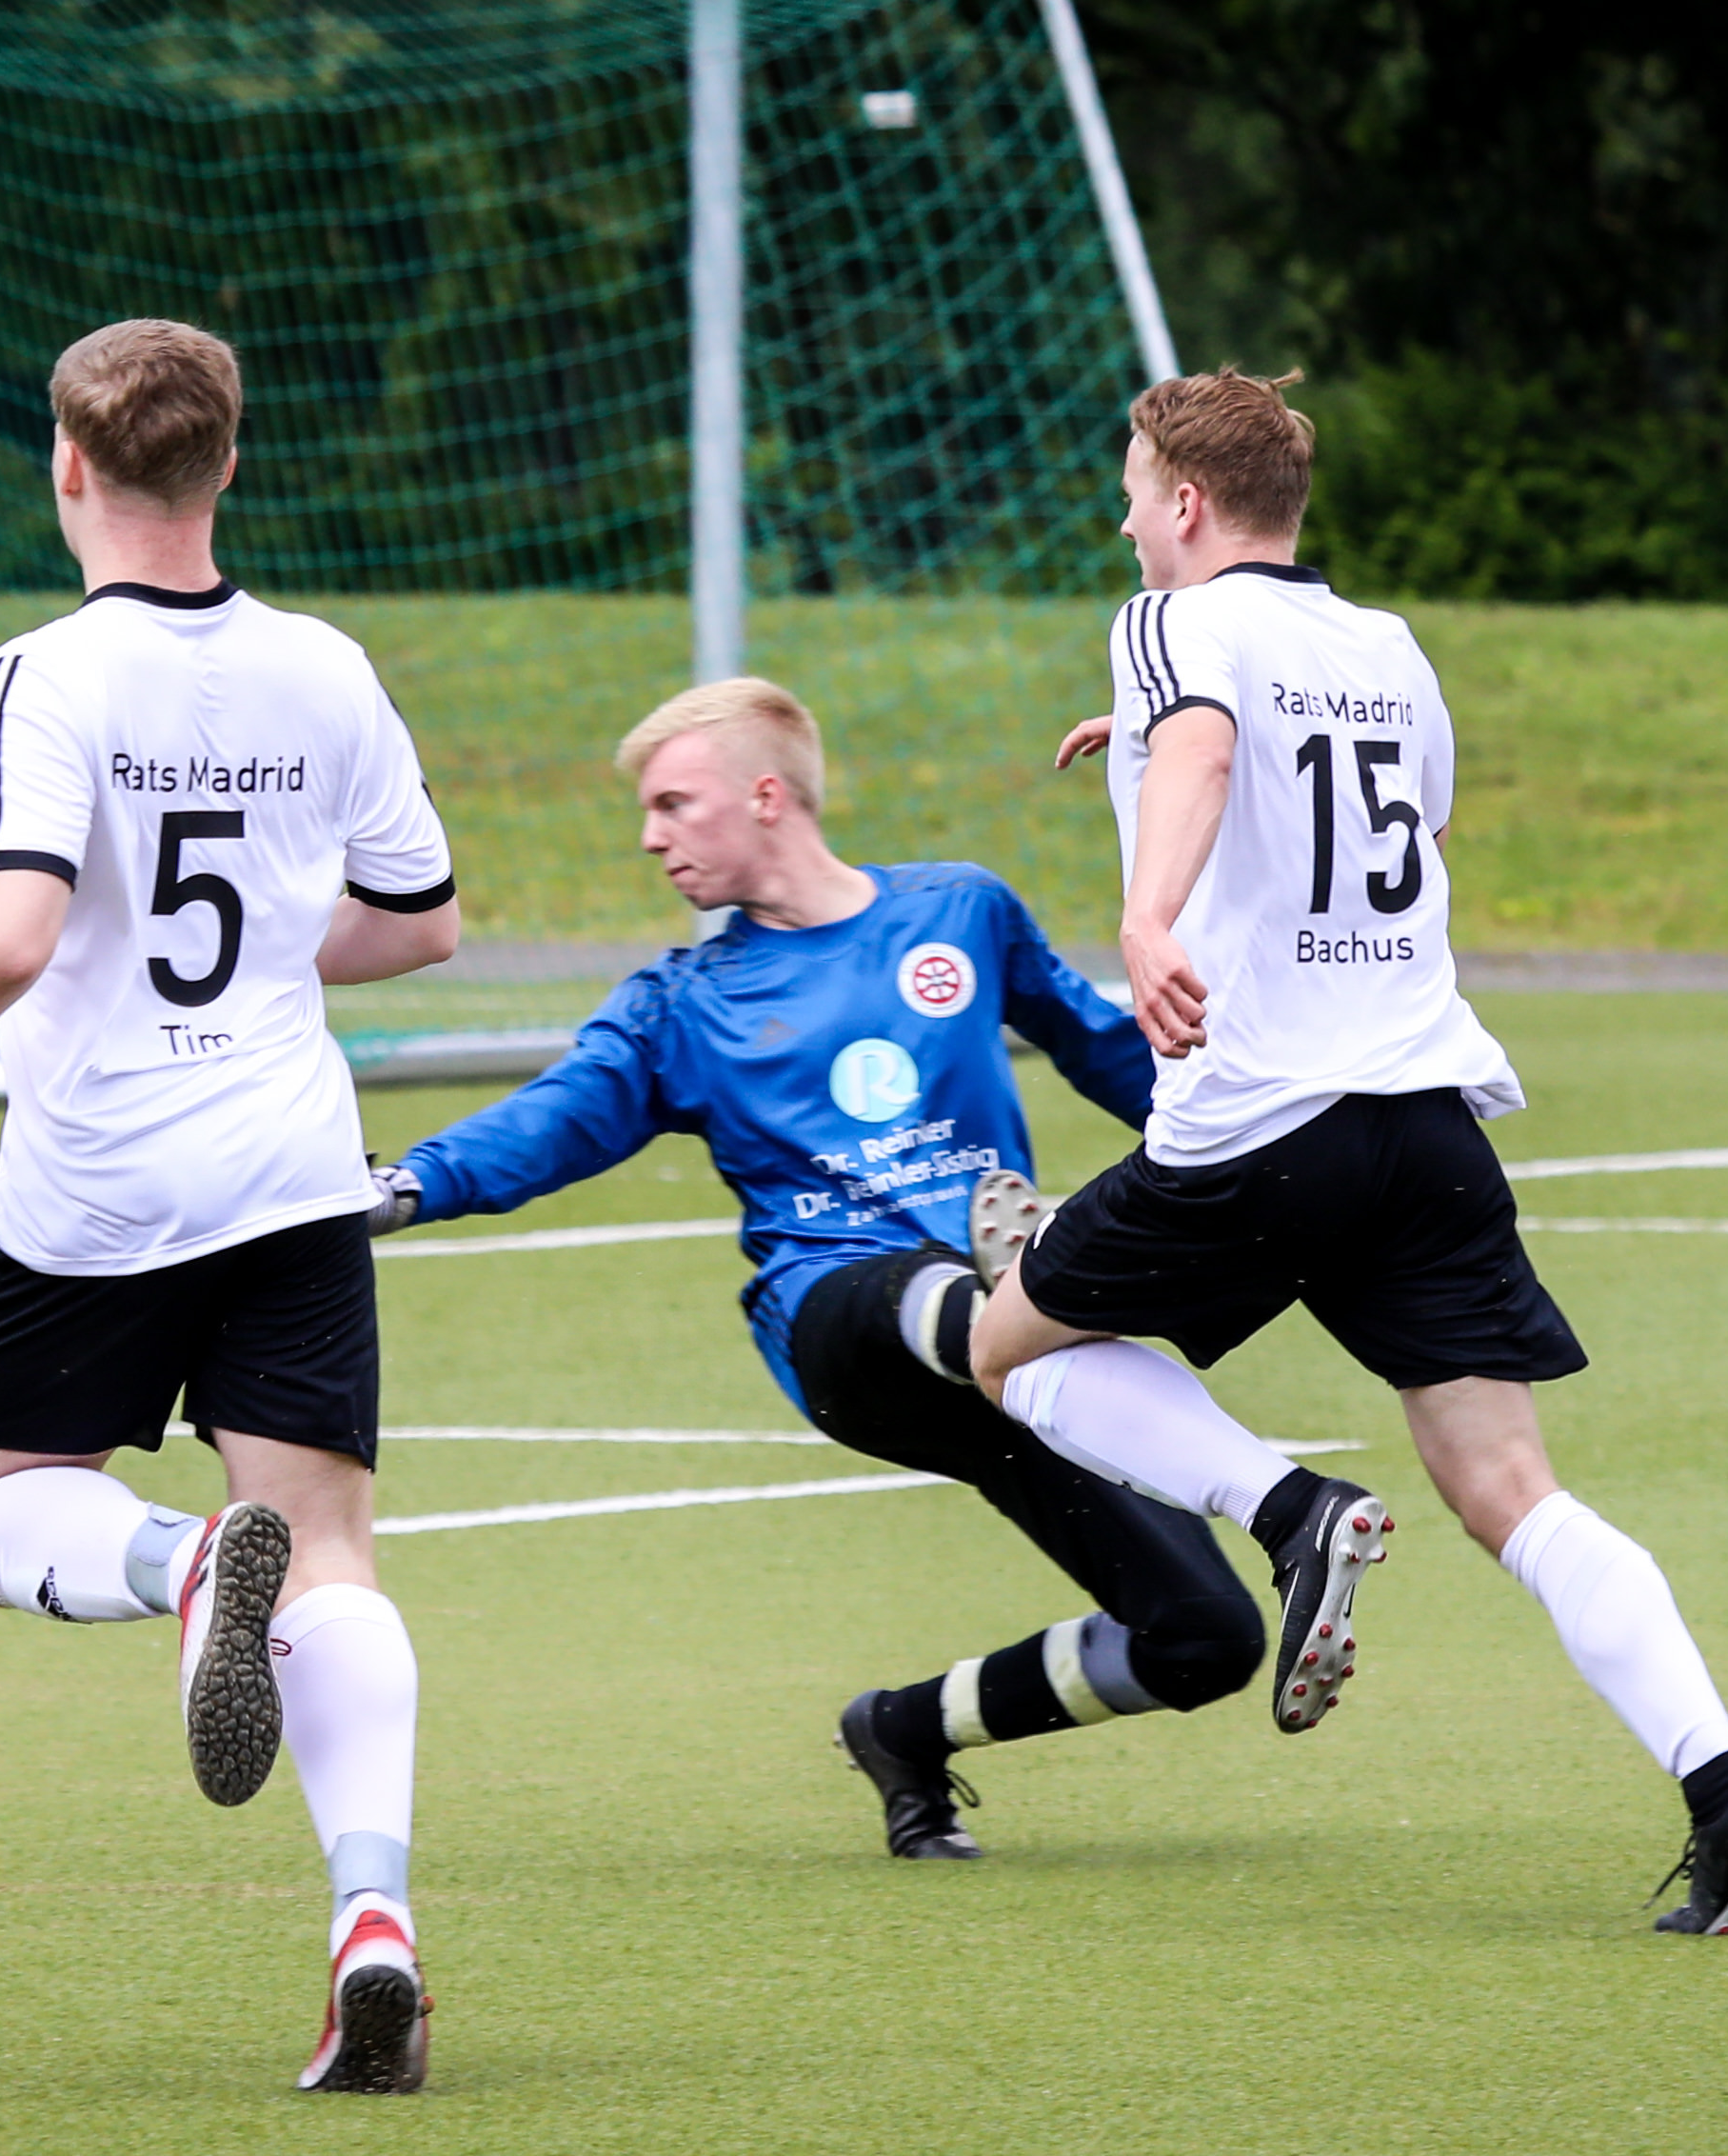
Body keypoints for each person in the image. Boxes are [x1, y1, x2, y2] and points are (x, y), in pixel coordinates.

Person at [962, 368, 1728, 1935]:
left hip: (1260, 1127)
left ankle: (1287, 1510)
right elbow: (1376, 822)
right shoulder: (1390, 650)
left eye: (1135, 494)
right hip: (1425, 1123)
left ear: (1188, 504)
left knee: (1005, 1351)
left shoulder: (1166, 623)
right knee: (1512, 1487)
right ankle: (1727, 1787)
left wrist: (1146, 912)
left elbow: (1210, 752)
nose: (1126, 522)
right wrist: (1154, 746)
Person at [0, 319, 464, 2091]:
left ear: (68, 465)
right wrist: (262, 957)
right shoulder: (324, 664)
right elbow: (420, 921)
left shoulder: (45, 669)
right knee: (330, 1551)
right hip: (294, 1168)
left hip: (104, 1179)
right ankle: (375, 1926)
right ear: (228, 463)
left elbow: (14, 933)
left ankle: (175, 1570)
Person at [364, 674, 1264, 1860]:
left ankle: (901, 1729)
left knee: (1204, 1638)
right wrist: (408, 1183)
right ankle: (1042, 1319)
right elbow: (555, 1117)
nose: (651, 836)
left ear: (765, 795)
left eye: (673, 803)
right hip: (842, 1328)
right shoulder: (681, 1002)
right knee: (931, 1290)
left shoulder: (960, 909)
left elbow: (1110, 1053)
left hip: (1009, 1350)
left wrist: (1265, 1141)